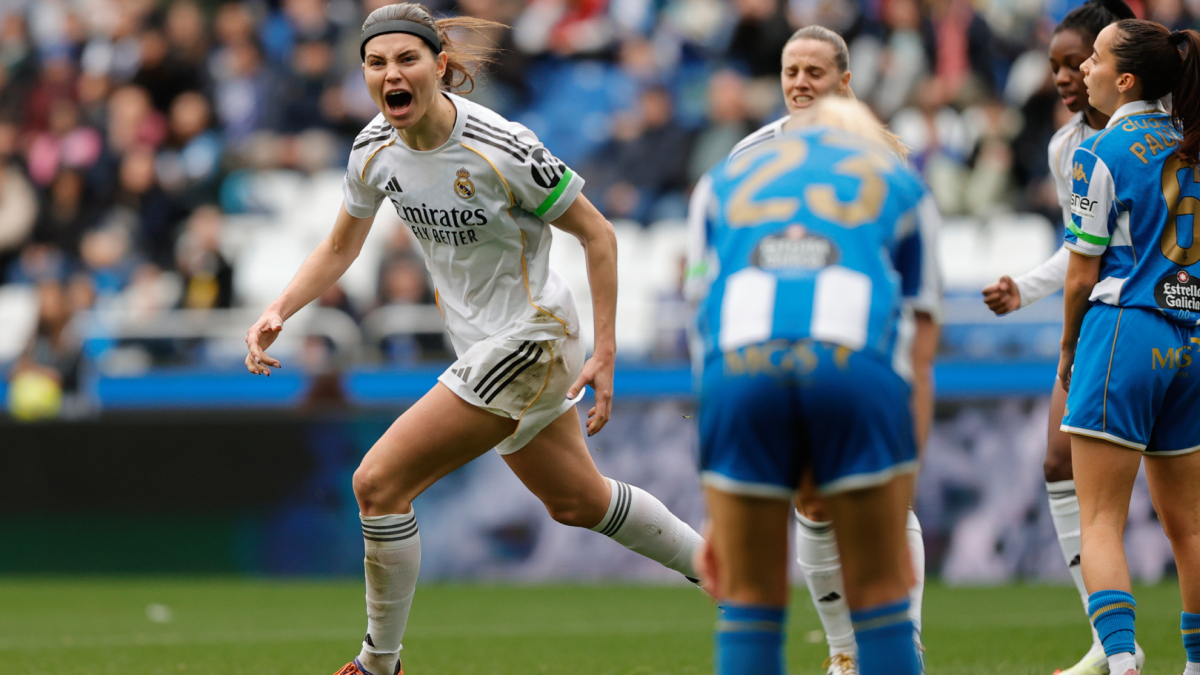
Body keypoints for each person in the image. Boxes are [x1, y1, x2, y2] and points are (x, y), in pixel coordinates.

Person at [243, 5, 705, 675]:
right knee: (579, 500)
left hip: (534, 337)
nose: (390, 73)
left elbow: (598, 234)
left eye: (406, 59)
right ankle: (725, 572)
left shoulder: (502, 145)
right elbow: (341, 244)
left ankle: (379, 663)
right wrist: (280, 306)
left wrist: (605, 351)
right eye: (376, 62)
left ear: (439, 65)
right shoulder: (373, 148)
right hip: (485, 346)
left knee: (377, 481)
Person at [691, 25, 941, 675]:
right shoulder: (893, 172)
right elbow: (920, 326)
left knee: (748, 594)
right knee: (844, 523)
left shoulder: (723, 180)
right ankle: (853, 649)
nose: (799, 83)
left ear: (844, 81)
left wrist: (716, 467)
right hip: (853, 365)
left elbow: (702, 311)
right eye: (790, 70)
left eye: (814, 72)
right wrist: (904, 457)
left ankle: (871, 645)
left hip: (742, 368)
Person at [980, 3, 1147, 674]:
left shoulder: (1164, 129)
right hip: (1105, 318)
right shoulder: (1064, 147)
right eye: (1053, 65)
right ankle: (1111, 642)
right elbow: (1081, 251)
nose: (1061, 77)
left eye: (1076, 61)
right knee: (1057, 461)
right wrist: (1025, 286)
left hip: (1153, 318)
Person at [1058, 18, 1200, 675]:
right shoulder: (1192, 143)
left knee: (1101, 519)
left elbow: (1082, 272)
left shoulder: (1099, 154)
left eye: (1095, 58)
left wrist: (1068, 348)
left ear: (1125, 79)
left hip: (1125, 329)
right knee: (1191, 527)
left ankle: (1120, 661)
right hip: (1191, 340)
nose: (1082, 67)